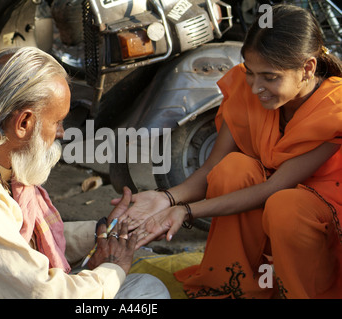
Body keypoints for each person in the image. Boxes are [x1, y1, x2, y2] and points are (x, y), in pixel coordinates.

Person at [0, 47, 170, 299]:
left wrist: (106, 229)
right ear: (23, 122)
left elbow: (21, 243)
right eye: (58, 122)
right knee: (145, 293)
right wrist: (114, 267)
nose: (61, 133)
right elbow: (44, 293)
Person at [114, 4, 342, 299]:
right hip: (272, 212)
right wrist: (167, 198)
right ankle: (237, 289)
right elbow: (211, 169)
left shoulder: (334, 111)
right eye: (251, 73)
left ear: (308, 68)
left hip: (317, 227)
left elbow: (275, 188)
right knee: (233, 169)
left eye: (270, 77)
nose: (256, 87)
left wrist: (184, 211)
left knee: (286, 206)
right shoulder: (247, 89)